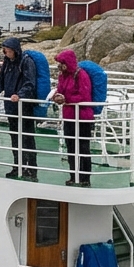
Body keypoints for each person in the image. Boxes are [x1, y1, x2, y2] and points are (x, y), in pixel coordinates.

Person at [0, 37, 38, 180]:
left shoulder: (26, 62)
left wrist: (20, 95)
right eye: (5, 50)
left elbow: (30, 83)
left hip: (24, 106)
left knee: (27, 137)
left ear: (15, 50)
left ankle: (31, 168)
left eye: (8, 50)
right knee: (15, 137)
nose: (6, 53)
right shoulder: (7, 62)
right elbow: (1, 81)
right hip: (11, 106)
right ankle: (18, 166)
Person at [53, 49, 93, 186]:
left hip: (82, 118)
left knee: (83, 148)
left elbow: (85, 96)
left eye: (61, 63)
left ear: (67, 63)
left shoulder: (81, 75)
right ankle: (73, 176)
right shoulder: (63, 76)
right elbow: (60, 90)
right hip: (69, 116)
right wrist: (57, 96)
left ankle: (85, 178)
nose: (59, 66)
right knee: (71, 147)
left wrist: (66, 98)